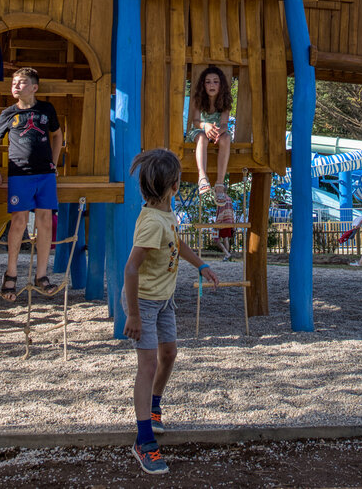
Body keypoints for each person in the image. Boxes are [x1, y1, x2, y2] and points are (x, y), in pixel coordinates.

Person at [123, 148, 219, 475]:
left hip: (164, 299)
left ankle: (153, 406)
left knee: (170, 355)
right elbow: (131, 269)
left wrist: (201, 265)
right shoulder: (151, 222)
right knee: (147, 365)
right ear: (174, 186)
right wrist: (134, 315)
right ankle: (144, 441)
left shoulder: (166, 214)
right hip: (145, 302)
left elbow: (177, 244)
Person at [0, 67, 63, 300]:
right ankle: (10, 273)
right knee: (18, 222)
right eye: (14, 83)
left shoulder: (46, 109)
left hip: (45, 174)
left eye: (21, 83)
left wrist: (54, 163)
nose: (16, 86)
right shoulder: (8, 113)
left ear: (34, 87)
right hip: (19, 173)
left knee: (45, 222)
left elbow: (58, 135)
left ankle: (41, 275)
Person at [188, 65, 233, 205]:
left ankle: (220, 183)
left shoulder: (225, 101)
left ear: (221, 85)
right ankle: (202, 177)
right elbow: (195, 121)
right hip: (199, 130)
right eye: (208, 82)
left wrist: (219, 131)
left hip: (216, 132)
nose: (211, 85)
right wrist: (205, 126)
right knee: (202, 136)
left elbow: (225, 124)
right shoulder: (198, 99)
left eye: (215, 81)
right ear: (203, 85)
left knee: (226, 138)